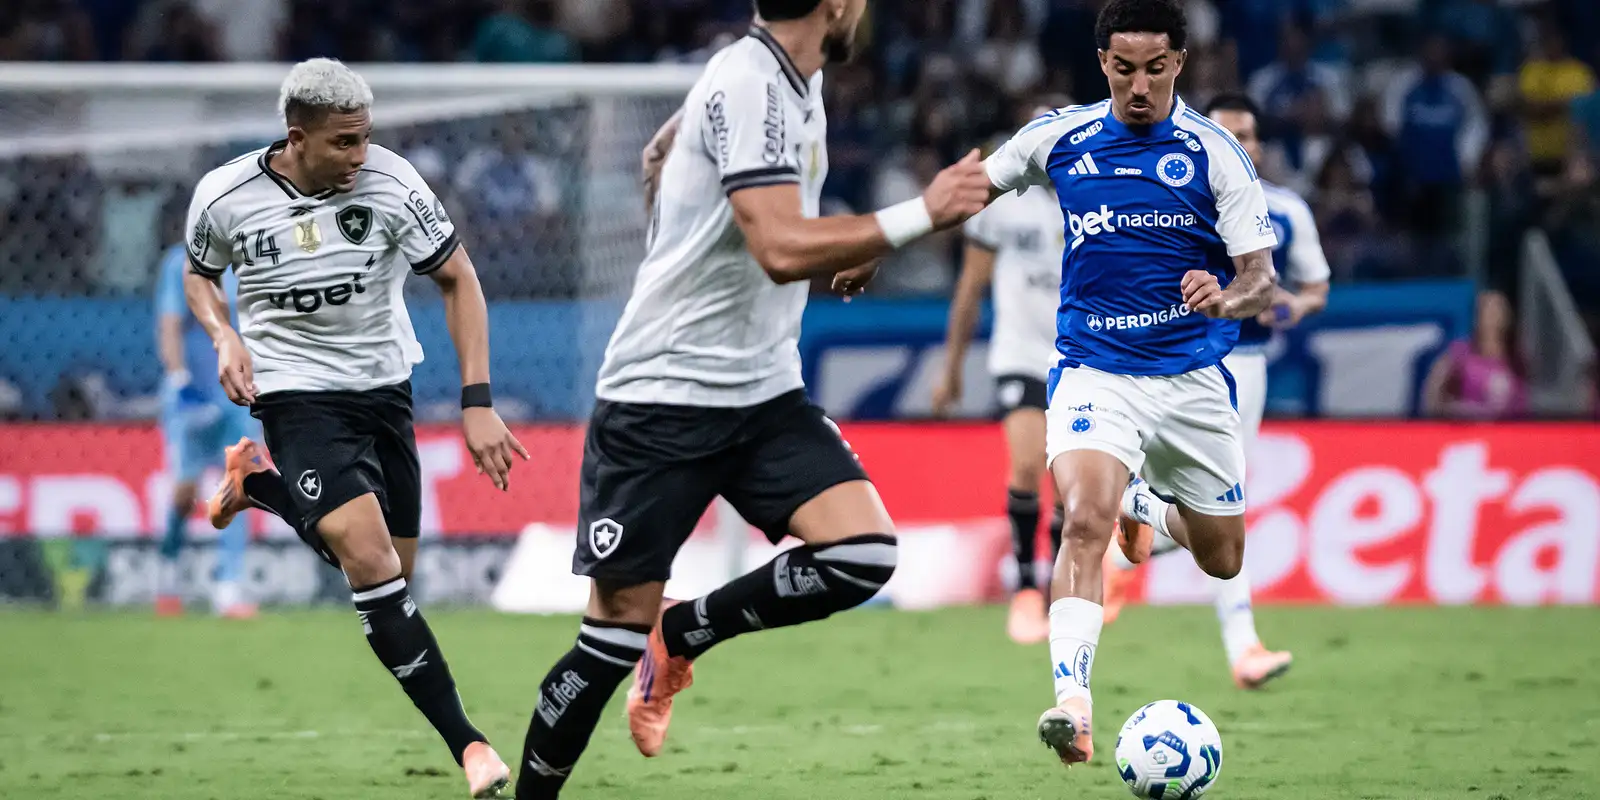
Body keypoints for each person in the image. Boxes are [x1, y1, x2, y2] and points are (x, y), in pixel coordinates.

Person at [510, 1, 992, 796]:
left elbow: (669, 155)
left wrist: (843, 237)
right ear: (835, 4)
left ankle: (681, 632)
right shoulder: (750, 83)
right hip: (662, 398)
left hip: (762, 392)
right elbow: (776, 247)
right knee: (609, 640)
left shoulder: (791, 77)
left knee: (861, 554)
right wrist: (916, 216)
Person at [183, 58, 527, 798]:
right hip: (295, 394)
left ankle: (258, 486)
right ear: (296, 137)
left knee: (393, 572)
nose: (360, 154)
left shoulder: (394, 183)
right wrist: (223, 334)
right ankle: (470, 745)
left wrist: (477, 400)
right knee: (371, 564)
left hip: (385, 391)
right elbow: (199, 272)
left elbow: (459, 278)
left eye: (365, 137)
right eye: (344, 142)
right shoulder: (225, 195)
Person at [981, 0, 1279, 768]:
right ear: (1102, 64)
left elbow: (1261, 279)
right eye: (1123, 69)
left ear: (1179, 62)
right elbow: (973, 187)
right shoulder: (1061, 137)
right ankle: (1072, 706)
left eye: (1154, 69)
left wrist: (1227, 297)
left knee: (1222, 557)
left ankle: (1142, 504)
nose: (1138, 86)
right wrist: (883, 240)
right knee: (1081, 520)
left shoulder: (1216, 153)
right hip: (1094, 368)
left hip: (1191, 377)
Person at [1102, 92, 1325, 690]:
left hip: (1248, 366)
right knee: (1222, 503)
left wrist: (1293, 306)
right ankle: (1243, 645)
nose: (1237, 145)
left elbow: (1316, 288)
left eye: (1246, 135)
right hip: (1180, 363)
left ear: (1259, 144)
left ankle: (1127, 540)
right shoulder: (1171, 196)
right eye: (1225, 133)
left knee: (1215, 508)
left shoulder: (1286, 211)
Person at [931, 99, 1074, 645]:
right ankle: (1026, 586)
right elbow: (970, 287)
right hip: (1019, 353)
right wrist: (951, 369)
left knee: (1068, 482)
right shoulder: (1003, 204)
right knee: (1027, 465)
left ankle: (1060, 588)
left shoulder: (1095, 197)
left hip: (1077, 356)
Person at [153, 240, 257, 619]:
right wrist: (179, 379)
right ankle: (168, 567)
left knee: (239, 483)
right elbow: (169, 325)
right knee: (185, 491)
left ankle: (228, 586)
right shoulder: (180, 263)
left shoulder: (251, 259)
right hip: (193, 395)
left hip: (238, 394)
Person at [1421, 289, 1528, 420]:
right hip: (1468, 427)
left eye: (1499, 309)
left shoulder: (1517, 358)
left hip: (1510, 428)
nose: (1494, 315)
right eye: (1488, 309)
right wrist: (1456, 410)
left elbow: (1525, 401)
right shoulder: (1460, 353)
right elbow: (1433, 395)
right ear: (1478, 316)